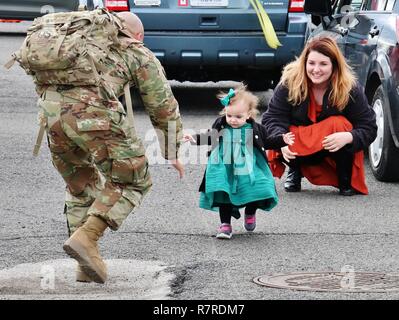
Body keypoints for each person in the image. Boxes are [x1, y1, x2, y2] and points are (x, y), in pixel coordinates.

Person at [34, 12, 184, 283]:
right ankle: (87, 237)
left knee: (80, 186)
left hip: (51, 116)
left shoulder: (76, 43)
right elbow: (162, 106)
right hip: (93, 115)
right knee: (134, 180)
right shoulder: (137, 52)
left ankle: (85, 266)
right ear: (138, 35)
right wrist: (171, 151)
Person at [262, 37, 377, 196]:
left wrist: (349, 136)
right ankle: (295, 170)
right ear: (304, 63)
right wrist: (280, 141)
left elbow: (369, 126)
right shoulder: (289, 83)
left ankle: (345, 178)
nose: (316, 69)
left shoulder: (349, 88)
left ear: (334, 65)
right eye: (311, 63)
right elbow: (272, 118)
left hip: (331, 145)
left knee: (340, 123)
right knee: (281, 134)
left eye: (323, 64)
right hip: (297, 143)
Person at [184, 84, 294, 239]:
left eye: (238, 117)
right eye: (229, 116)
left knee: (256, 188)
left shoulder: (256, 129)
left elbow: (267, 142)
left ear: (248, 115)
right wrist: (194, 138)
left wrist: (282, 140)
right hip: (225, 166)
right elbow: (211, 136)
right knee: (223, 192)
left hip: (250, 167)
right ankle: (225, 225)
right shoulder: (222, 125)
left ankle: (250, 211)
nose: (233, 120)